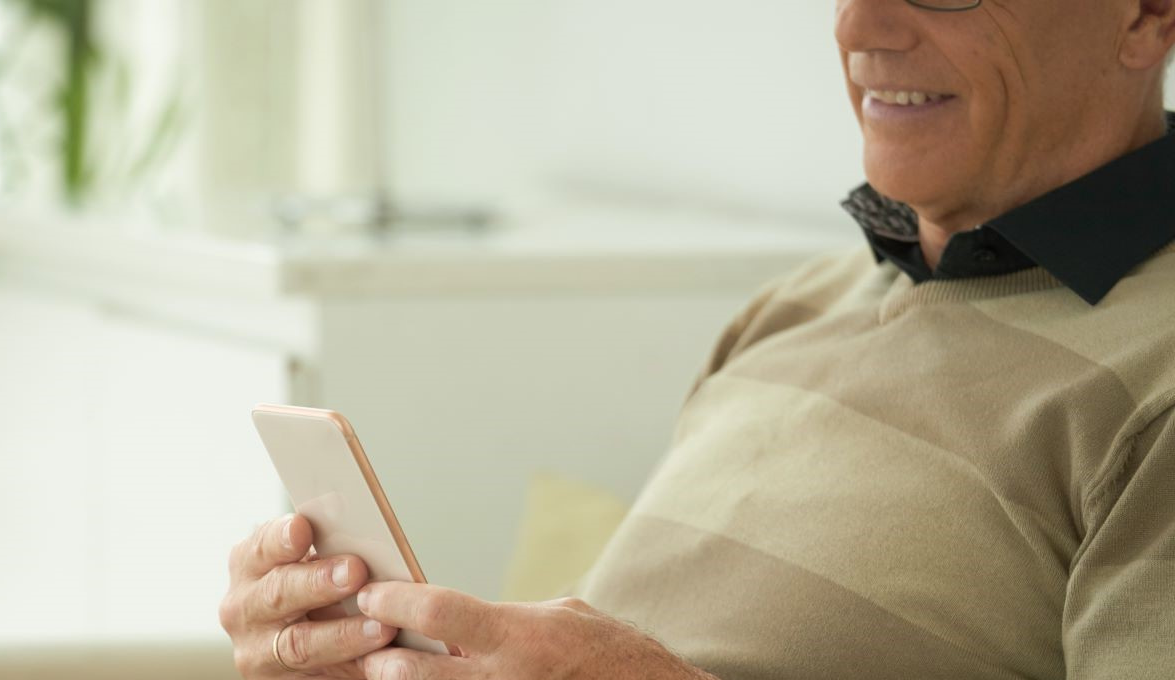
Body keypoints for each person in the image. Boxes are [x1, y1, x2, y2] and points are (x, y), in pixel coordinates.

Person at [219, 0, 1175, 677]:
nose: (859, 25)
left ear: (1145, 15)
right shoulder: (797, 307)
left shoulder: (1154, 379)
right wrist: (375, 656)